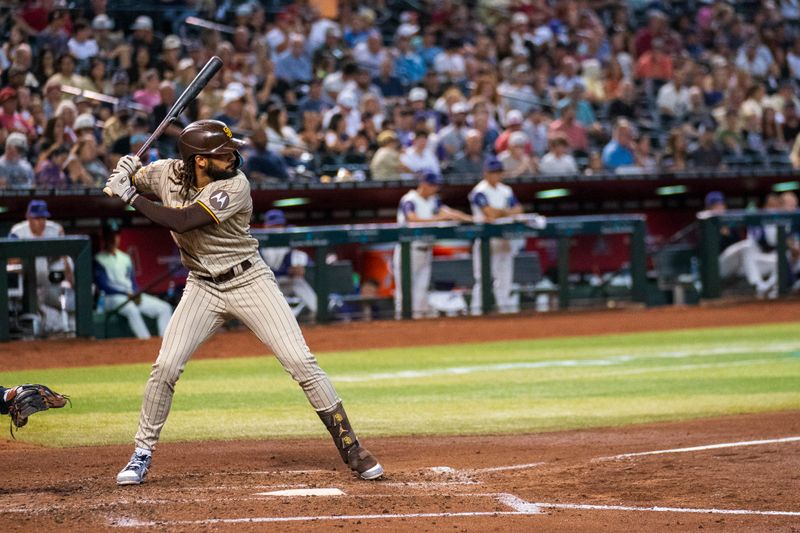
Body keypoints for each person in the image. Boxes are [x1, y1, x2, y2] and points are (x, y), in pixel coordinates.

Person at [103, 119, 383, 485]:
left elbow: (186, 220)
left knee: (301, 361)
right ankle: (141, 453)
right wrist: (127, 170)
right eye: (222, 154)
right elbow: (128, 182)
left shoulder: (235, 184)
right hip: (202, 285)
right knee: (166, 367)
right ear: (199, 161)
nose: (233, 157)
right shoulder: (164, 174)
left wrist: (131, 196)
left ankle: (352, 447)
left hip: (249, 279)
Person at [393, 171, 472, 318]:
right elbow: (412, 219)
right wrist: (438, 219)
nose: (435, 188)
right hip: (409, 251)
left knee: (421, 290)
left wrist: (472, 218)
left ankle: (418, 327)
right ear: (423, 184)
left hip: (426, 251)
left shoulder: (433, 200)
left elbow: (448, 212)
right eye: (432, 185)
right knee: (405, 291)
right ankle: (402, 323)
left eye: (436, 185)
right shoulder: (409, 199)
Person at [93, 224, 173, 340]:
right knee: (132, 310)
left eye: (116, 235)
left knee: (164, 308)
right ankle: (146, 342)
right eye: (111, 236)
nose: (114, 239)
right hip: (111, 298)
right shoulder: (99, 259)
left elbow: (133, 282)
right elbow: (104, 286)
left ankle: (164, 342)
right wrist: (128, 294)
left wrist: (137, 293)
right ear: (105, 238)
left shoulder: (125, 257)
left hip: (130, 295)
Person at [8, 199, 75, 335]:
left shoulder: (55, 229)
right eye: (37, 218)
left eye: (43, 217)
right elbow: (10, 261)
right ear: (28, 217)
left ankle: (67, 330)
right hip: (27, 281)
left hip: (50, 280)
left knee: (65, 258)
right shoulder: (18, 231)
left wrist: (70, 281)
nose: (41, 222)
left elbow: (65, 258)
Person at [468, 157, 524, 315]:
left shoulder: (506, 190)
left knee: (505, 278)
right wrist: (506, 212)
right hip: (486, 240)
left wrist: (501, 213)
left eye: (498, 172)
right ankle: (477, 312)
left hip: (504, 238)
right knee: (484, 278)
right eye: (493, 172)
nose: (496, 175)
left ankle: (504, 311)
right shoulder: (479, 191)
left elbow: (519, 209)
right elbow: (489, 213)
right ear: (486, 173)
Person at [258, 209, 318, 319]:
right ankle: (287, 317)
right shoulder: (258, 243)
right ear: (266, 226)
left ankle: (318, 311)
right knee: (271, 281)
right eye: (274, 226)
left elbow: (300, 263)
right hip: (264, 287)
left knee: (298, 281)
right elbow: (262, 272)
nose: (278, 228)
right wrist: (287, 271)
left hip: (282, 282)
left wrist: (299, 269)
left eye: (280, 225)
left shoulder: (287, 242)